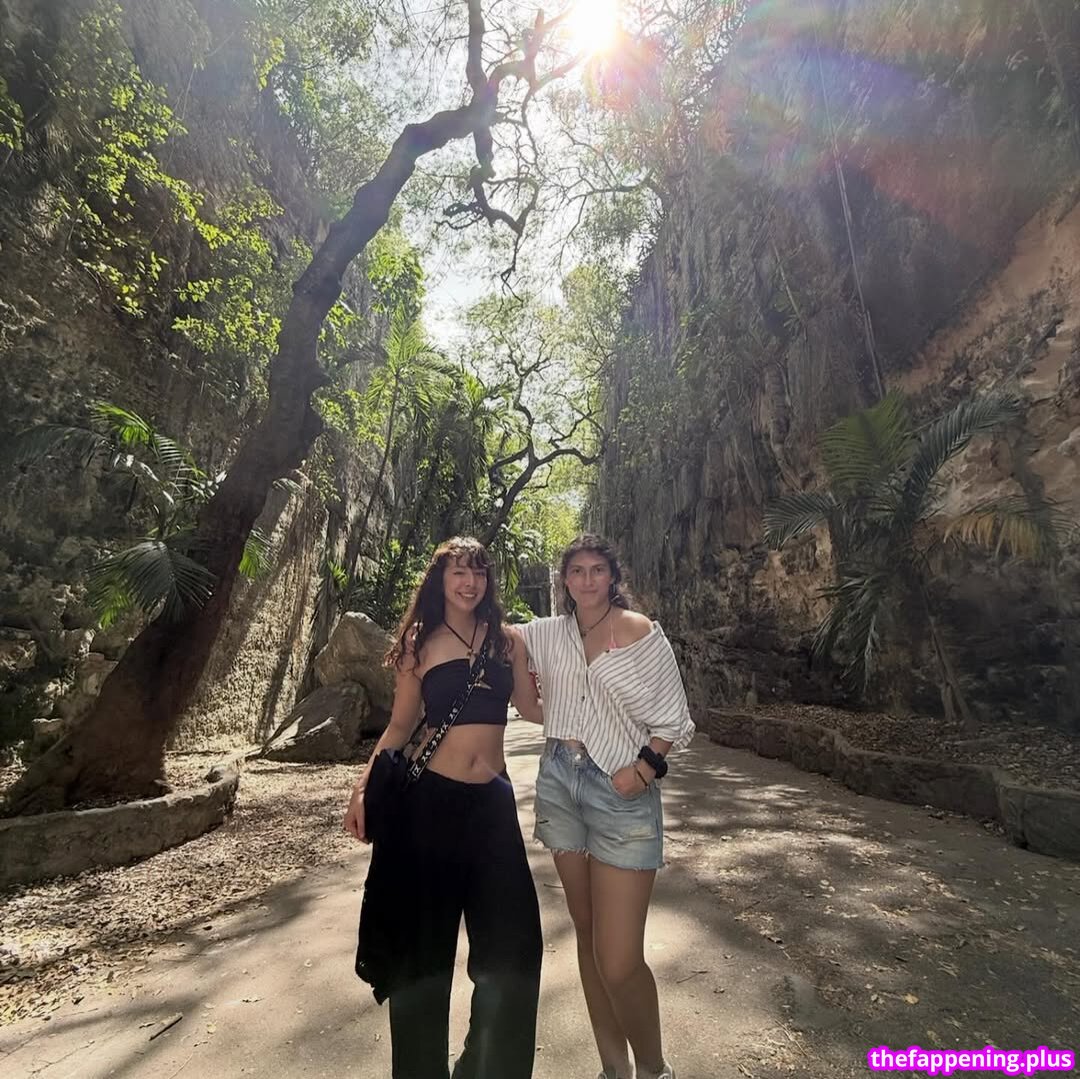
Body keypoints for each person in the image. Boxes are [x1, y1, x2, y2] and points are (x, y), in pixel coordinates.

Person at [344, 537, 544, 1079]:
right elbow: (400, 726)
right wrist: (362, 788)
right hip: (429, 805)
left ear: (488, 581)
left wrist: (600, 693)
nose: (469, 582)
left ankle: (486, 1066)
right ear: (440, 579)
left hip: (493, 807)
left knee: (514, 948)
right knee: (423, 954)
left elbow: (533, 708)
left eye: (478, 571)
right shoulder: (419, 642)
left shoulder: (507, 641)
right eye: (458, 572)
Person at [517, 534, 695, 1079]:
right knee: (589, 935)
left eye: (597, 569)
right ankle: (614, 1068)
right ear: (564, 580)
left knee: (618, 960)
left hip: (620, 791)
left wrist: (643, 770)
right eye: (577, 570)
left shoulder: (637, 630)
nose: (587, 579)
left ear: (612, 576)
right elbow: (506, 655)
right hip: (560, 782)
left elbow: (674, 716)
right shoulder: (547, 633)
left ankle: (654, 1070)